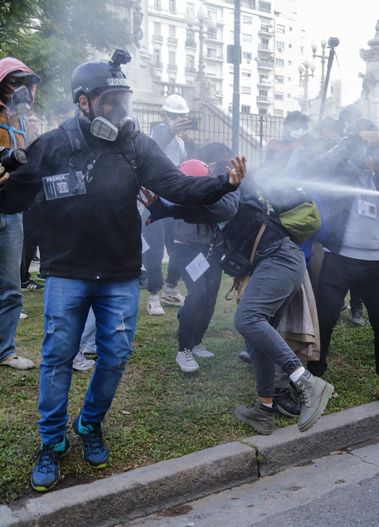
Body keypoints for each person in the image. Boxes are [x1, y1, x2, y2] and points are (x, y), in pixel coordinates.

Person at [0, 50, 246, 492]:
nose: (119, 110)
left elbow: (179, 186)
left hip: (119, 274)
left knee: (114, 356)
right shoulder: (52, 145)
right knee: (57, 358)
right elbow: (13, 199)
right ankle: (51, 441)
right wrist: (10, 173)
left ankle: (90, 424)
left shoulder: (136, 145)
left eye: (123, 100)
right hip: (66, 273)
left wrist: (223, 183)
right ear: (84, 102)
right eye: (109, 101)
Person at [224, 167, 334, 436]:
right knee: (256, 337)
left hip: (280, 260)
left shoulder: (232, 193)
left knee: (247, 318)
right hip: (278, 262)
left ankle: (307, 382)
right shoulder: (239, 196)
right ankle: (264, 410)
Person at [309, 119, 379, 410]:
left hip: (375, 264)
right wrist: (356, 137)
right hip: (339, 259)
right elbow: (327, 163)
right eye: (364, 147)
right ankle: (316, 379)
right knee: (325, 318)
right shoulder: (342, 173)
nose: (369, 154)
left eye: (373, 147)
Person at [146, 153, 239, 373]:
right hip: (187, 252)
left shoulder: (216, 196)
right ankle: (184, 349)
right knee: (198, 294)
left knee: (210, 297)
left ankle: (196, 341)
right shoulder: (172, 200)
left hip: (211, 251)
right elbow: (166, 232)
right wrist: (174, 256)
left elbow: (224, 211)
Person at [0, 56, 39, 371]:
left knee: (11, 287)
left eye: (24, 83)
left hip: (12, 212)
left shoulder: (25, 122)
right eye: (13, 82)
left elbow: (33, 162)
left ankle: (5, 351)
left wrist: (35, 137)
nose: (19, 89)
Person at [142, 93, 192, 316]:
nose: (178, 120)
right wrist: (171, 129)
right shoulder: (158, 131)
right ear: (164, 115)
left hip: (173, 201)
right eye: (174, 115)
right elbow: (157, 143)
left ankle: (171, 289)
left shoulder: (180, 141)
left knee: (178, 246)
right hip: (153, 202)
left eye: (182, 116)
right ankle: (153, 295)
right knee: (154, 249)